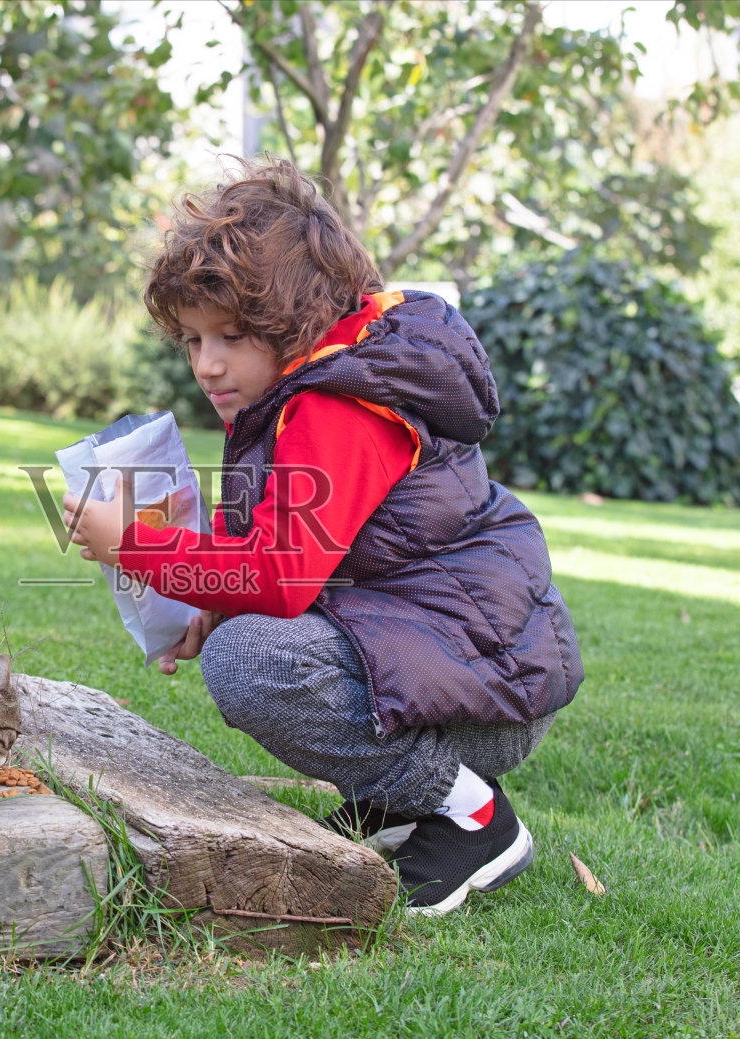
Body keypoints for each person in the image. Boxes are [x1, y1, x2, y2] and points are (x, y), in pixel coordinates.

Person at [60, 157, 582, 913]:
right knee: (244, 637)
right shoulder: (312, 386)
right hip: (456, 673)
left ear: (295, 322)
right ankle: (398, 802)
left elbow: (280, 577)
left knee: (249, 663)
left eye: (231, 336)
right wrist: (212, 602)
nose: (207, 365)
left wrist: (135, 546)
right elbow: (291, 558)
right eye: (193, 339)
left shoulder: (338, 407)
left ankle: (471, 814)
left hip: (488, 702)